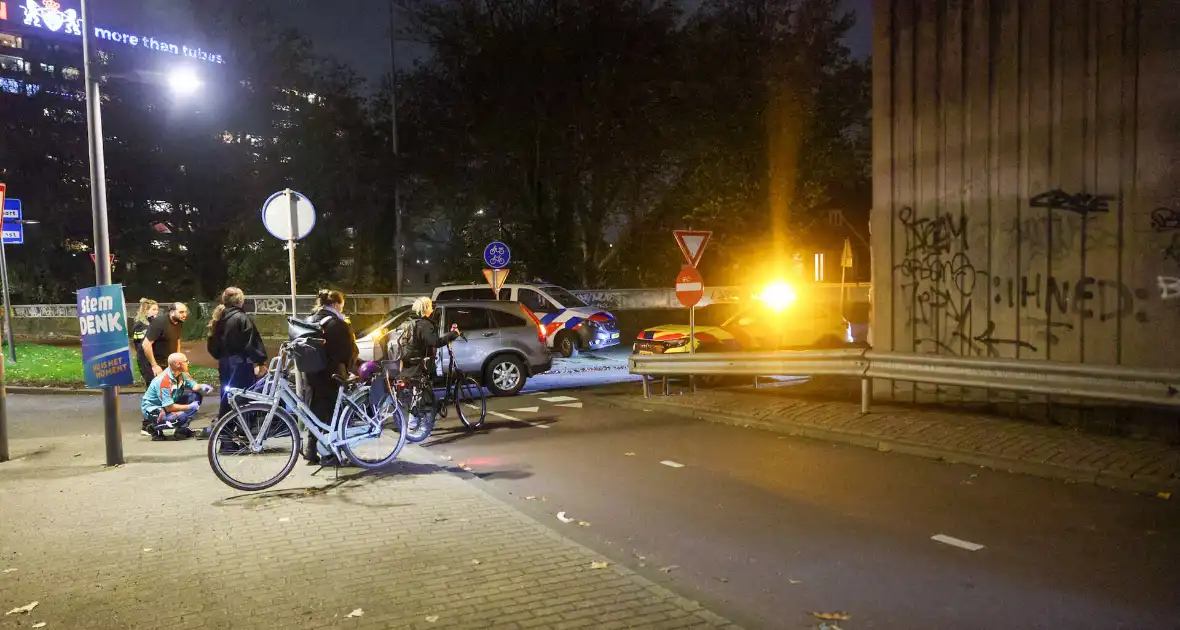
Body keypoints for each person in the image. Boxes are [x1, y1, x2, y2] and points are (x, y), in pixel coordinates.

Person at [302, 289, 358, 464]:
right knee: (333, 414)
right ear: (335, 304)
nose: (342, 309)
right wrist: (348, 368)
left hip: (311, 374)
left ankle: (311, 451)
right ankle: (330, 455)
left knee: (314, 411)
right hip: (332, 375)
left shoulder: (309, 320)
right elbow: (347, 352)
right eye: (341, 306)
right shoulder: (338, 324)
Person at [207, 287, 268, 418]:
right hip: (241, 363)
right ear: (240, 300)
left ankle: (225, 425)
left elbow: (212, 344)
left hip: (224, 363)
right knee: (243, 396)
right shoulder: (242, 318)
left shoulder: (218, 319)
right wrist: (260, 361)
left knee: (226, 396)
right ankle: (244, 426)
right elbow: (251, 342)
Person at [141, 352, 214, 441]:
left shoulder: (182, 374)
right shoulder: (164, 381)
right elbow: (169, 407)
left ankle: (181, 428)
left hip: (168, 403)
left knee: (196, 396)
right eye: (186, 361)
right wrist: (189, 406)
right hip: (155, 409)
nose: (188, 363)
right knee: (181, 416)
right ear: (178, 364)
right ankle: (155, 428)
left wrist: (202, 386)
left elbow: (193, 386)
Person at [399, 297, 460, 381]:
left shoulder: (409, 322)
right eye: (430, 306)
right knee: (426, 386)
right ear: (425, 308)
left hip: (409, 362)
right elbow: (436, 342)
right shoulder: (424, 324)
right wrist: (453, 334)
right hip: (421, 365)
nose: (432, 308)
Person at [143, 302, 189, 378]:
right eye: (181, 312)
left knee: (173, 384)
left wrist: (178, 358)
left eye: (185, 312)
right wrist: (154, 366)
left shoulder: (179, 322)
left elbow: (177, 340)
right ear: (172, 312)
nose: (184, 314)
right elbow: (146, 345)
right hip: (155, 362)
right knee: (158, 385)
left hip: (169, 362)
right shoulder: (159, 322)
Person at [130, 298, 159, 386]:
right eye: (154, 309)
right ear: (146, 311)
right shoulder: (140, 326)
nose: (156, 312)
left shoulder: (155, 323)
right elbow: (140, 345)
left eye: (157, 309)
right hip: (145, 359)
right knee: (152, 384)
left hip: (155, 357)